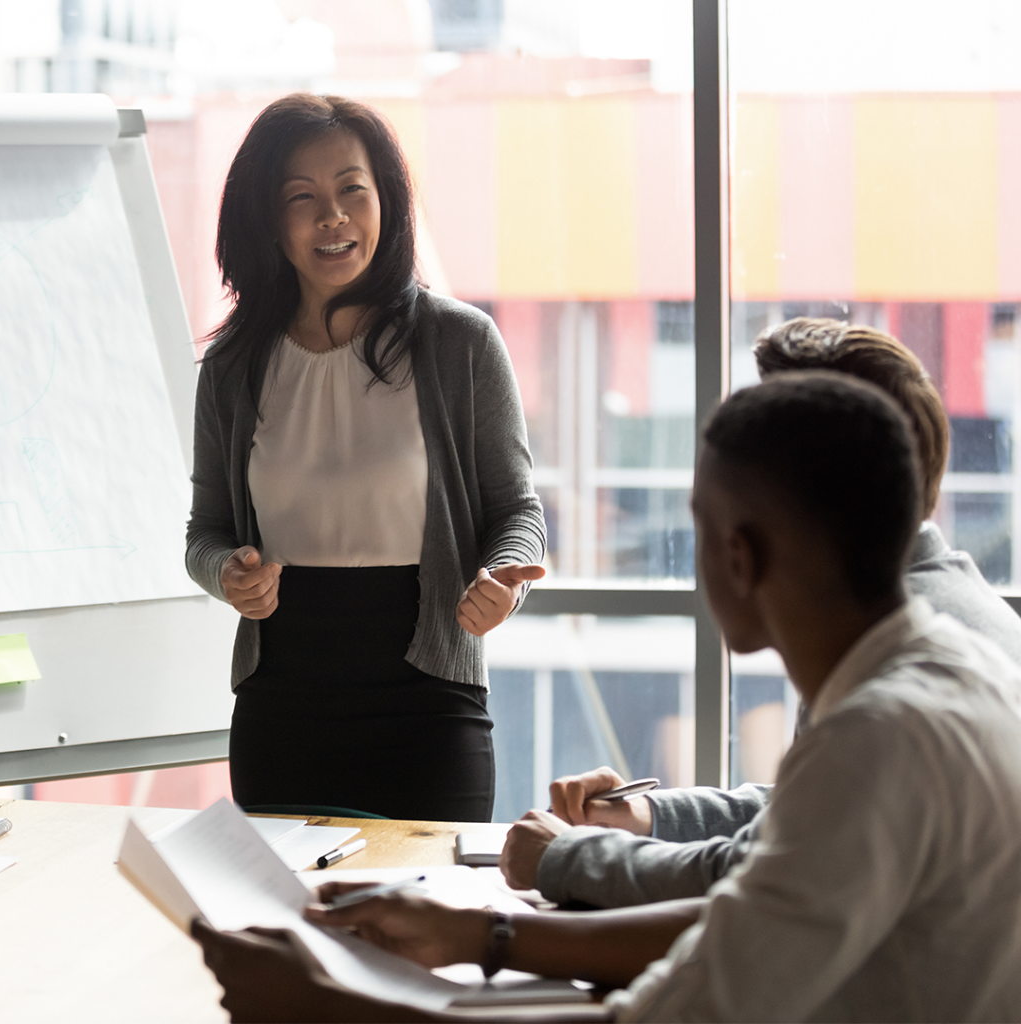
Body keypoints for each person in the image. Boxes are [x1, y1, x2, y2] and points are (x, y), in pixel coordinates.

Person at [194, 373, 1021, 1022]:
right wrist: (481, 935)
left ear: (738, 555)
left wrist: (327, 1010)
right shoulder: (946, 668)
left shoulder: (875, 739)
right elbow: (743, 922)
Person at [500, 316, 1021, 906]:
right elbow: (809, 815)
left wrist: (564, 867)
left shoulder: (903, 665)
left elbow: (763, 884)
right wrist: (645, 815)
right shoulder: (905, 613)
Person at [186, 93, 546, 821]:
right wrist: (227, 574)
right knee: (284, 927)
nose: (333, 217)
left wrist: (505, 579)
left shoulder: (460, 344)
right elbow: (205, 533)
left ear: (387, 202)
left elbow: (517, 509)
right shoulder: (233, 367)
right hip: (281, 706)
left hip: (429, 701)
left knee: (433, 924)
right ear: (267, 220)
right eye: (302, 198)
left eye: (353, 189)